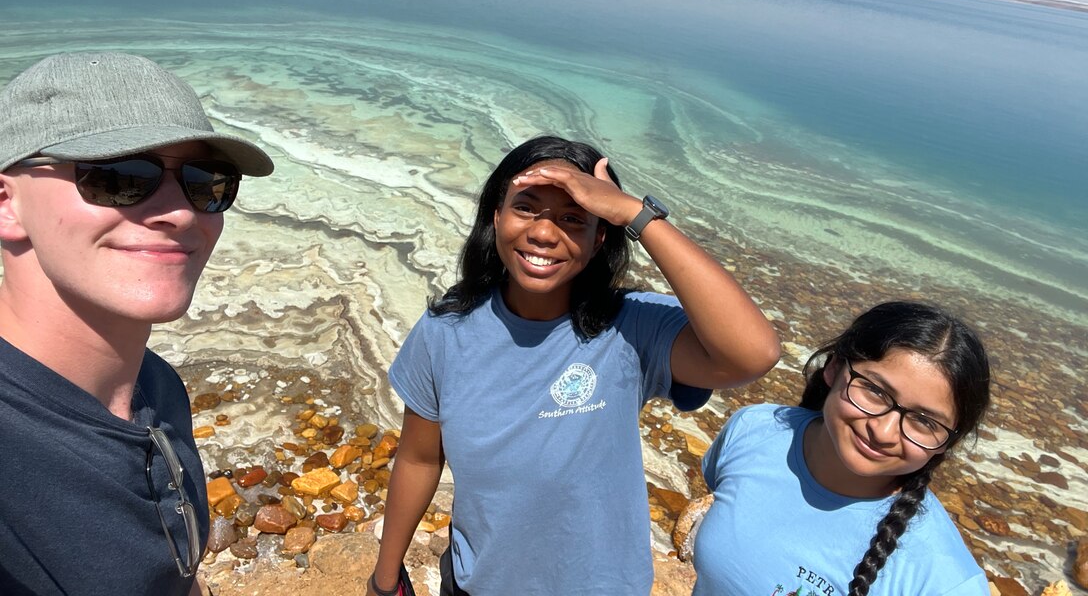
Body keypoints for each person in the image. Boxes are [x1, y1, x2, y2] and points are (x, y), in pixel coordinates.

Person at [369, 135, 781, 596]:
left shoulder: (630, 329)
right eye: (525, 208)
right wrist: (385, 580)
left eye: (572, 219)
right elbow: (420, 459)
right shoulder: (445, 330)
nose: (544, 234)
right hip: (476, 584)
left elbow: (753, 353)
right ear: (495, 216)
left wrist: (633, 214)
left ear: (599, 235)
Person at [0, 52, 274, 596]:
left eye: (206, 182)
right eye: (118, 176)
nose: (181, 212)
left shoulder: (158, 388)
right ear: (7, 205)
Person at [692, 301, 992, 596]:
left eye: (924, 421)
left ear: (948, 443)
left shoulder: (944, 580)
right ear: (834, 368)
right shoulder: (754, 431)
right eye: (875, 391)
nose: (883, 432)